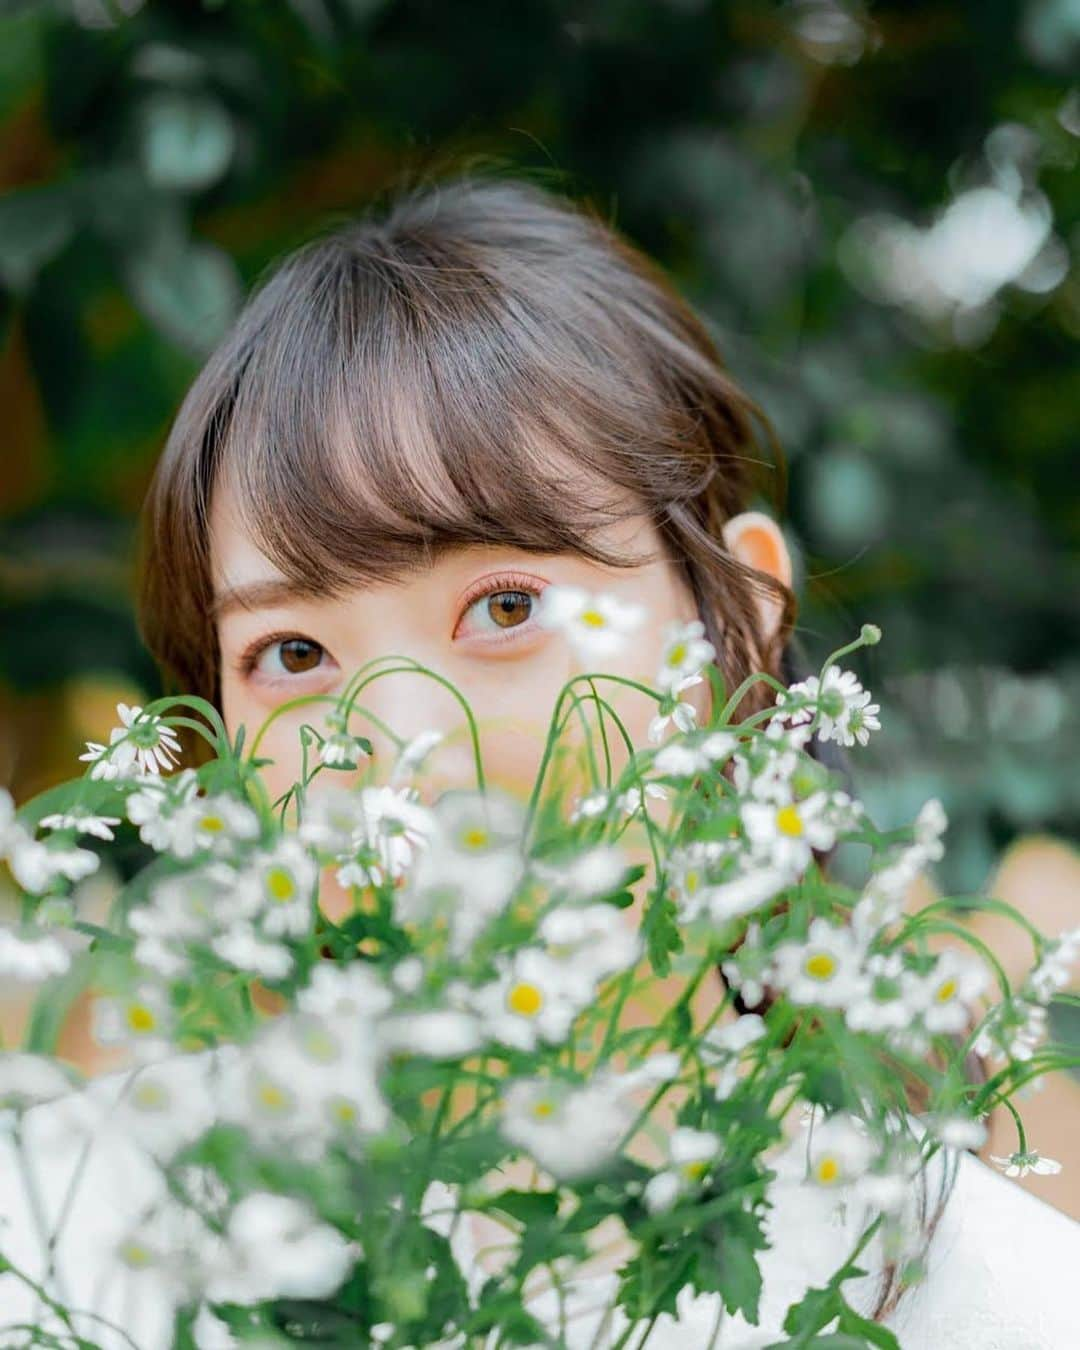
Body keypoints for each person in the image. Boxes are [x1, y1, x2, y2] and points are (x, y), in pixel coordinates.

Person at [1, 172, 1077, 1347]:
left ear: (740, 626)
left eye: (507, 605)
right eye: (293, 650)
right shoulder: (67, 1233)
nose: (403, 740)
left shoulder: (974, 1297)